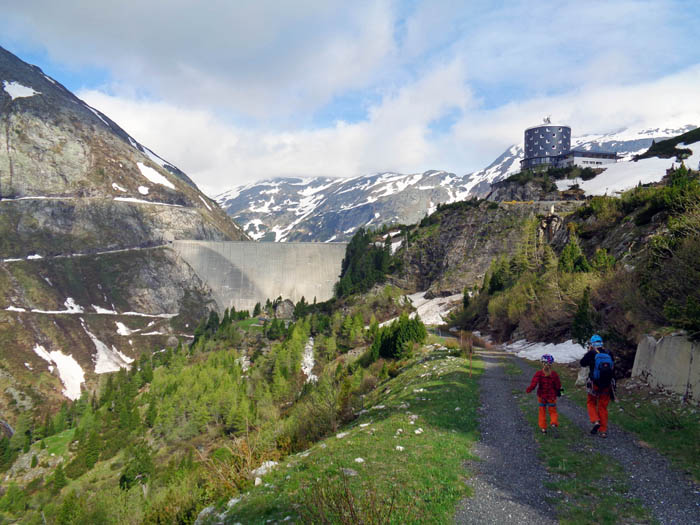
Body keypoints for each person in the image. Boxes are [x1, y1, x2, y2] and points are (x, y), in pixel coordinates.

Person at [580, 334, 615, 438]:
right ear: (602, 343)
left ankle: (595, 421)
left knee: (591, 402)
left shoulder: (591, 353)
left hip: (594, 384)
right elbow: (613, 367)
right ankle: (603, 431)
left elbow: (582, 363)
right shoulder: (609, 353)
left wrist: (589, 353)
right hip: (607, 385)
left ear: (592, 344)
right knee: (603, 407)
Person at [526, 354, 562, 434]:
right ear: (551, 363)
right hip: (552, 397)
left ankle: (543, 428)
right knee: (553, 411)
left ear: (542, 363)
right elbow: (558, 385)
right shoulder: (554, 374)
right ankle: (553, 423)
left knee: (542, 411)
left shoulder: (539, 373)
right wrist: (560, 392)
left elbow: (533, 384)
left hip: (541, 396)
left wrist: (529, 390)